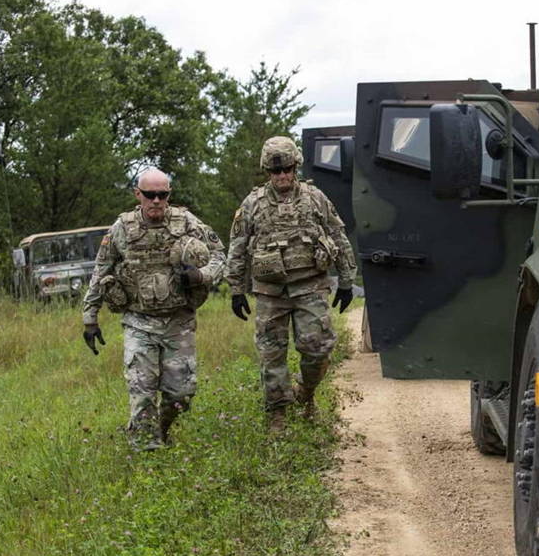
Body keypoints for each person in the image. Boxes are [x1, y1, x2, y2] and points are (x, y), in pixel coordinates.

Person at [81, 168, 226, 451]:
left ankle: (162, 428)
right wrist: (90, 318)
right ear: (138, 195)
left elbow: (220, 256)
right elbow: (101, 270)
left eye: (163, 195)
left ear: (169, 195)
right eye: (150, 195)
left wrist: (201, 276)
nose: (157, 201)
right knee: (142, 391)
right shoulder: (122, 228)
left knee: (181, 394)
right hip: (139, 322)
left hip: (178, 322)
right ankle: (147, 454)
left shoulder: (186, 222)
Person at [226, 136, 357, 431]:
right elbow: (237, 246)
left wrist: (347, 280)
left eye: (287, 169)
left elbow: (338, 236)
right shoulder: (253, 204)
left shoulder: (315, 198)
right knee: (271, 355)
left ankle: (306, 393)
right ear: (267, 172)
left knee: (318, 349)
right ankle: (277, 413)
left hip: (310, 287)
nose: (282, 176)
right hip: (270, 293)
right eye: (275, 171)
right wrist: (236, 289)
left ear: (295, 167)